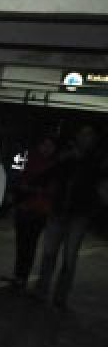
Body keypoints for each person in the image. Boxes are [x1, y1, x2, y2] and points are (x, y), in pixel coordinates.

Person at [34, 123, 107, 309]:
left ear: (94, 140)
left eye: (89, 135)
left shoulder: (97, 159)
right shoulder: (68, 154)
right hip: (59, 210)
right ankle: (41, 290)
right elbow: (52, 173)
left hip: (79, 215)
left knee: (69, 257)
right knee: (49, 253)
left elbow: (99, 185)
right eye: (82, 134)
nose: (84, 138)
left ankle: (60, 296)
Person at [2, 130, 60, 289]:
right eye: (45, 144)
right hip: (24, 206)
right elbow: (14, 175)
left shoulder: (55, 165)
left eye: (51, 146)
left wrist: (33, 189)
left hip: (39, 210)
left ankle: (22, 276)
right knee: (22, 242)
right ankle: (19, 275)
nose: (47, 148)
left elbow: (53, 189)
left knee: (30, 243)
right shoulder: (26, 157)